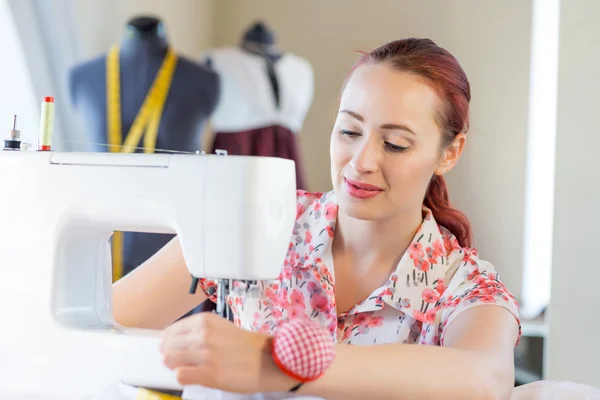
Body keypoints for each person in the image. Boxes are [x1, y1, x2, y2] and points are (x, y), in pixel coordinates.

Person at [113, 38, 521, 400]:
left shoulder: (465, 286)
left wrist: (275, 366)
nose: (361, 162)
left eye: (395, 145)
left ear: (449, 153)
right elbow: (102, 325)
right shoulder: (254, 223)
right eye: (349, 131)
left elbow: (486, 379)